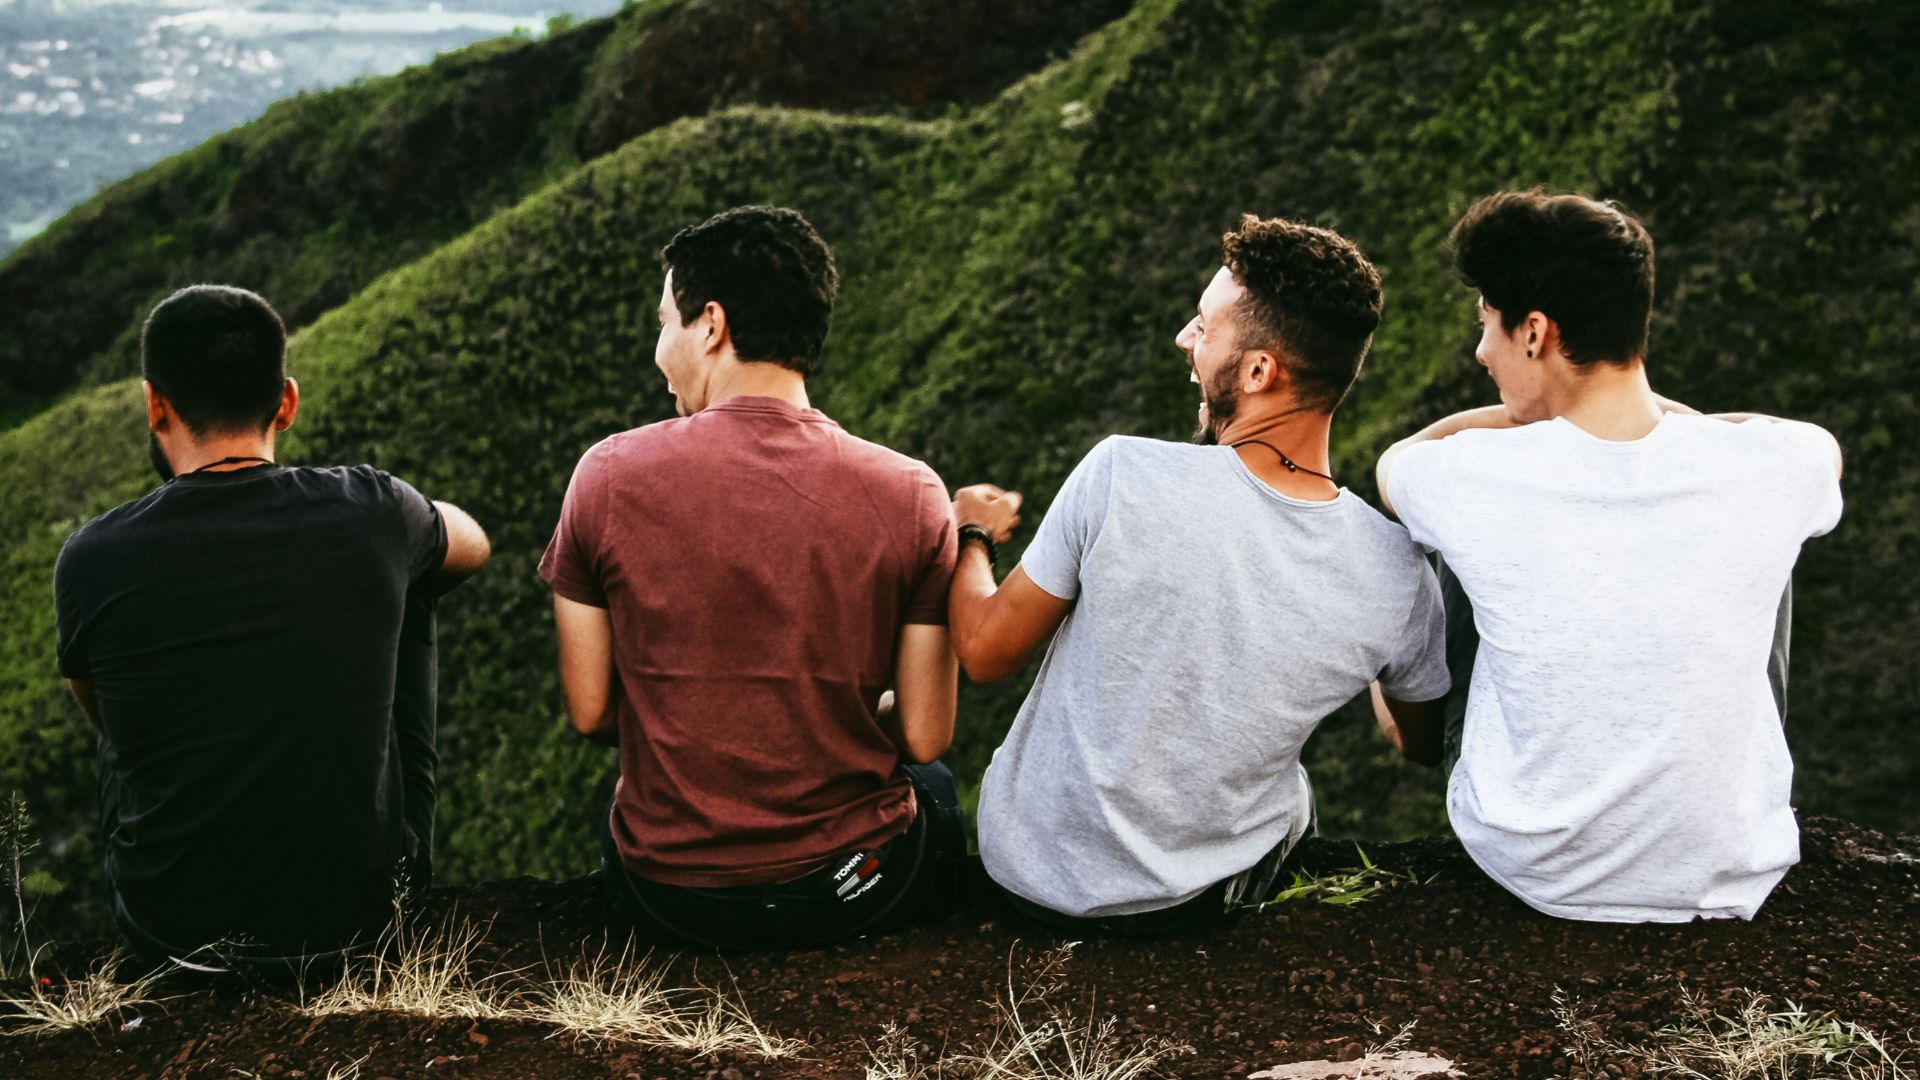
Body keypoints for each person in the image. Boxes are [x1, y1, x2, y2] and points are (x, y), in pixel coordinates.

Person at [948, 214, 1452, 935]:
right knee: (1294, 793)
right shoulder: (1398, 572)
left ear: (1258, 372)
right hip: (1195, 902)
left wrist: (971, 534)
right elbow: (1419, 743)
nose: (1185, 340)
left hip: (1028, 877)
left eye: (1203, 327)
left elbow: (984, 651)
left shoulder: (1121, 472)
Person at [1375, 189, 1844, 923]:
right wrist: (1674, 423)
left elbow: (1398, 463)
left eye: (1487, 326)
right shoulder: (1773, 466)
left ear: (1534, 332)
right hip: (1725, 867)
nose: (1480, 352)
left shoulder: (1467, 474)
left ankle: (1424, 742)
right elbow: (1818, 445)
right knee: (1764, 538)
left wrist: (1519, 419)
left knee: (1449, 545)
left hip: (1534, 861)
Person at [540, 205, 996, 950]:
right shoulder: (913, 494)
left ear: (711, 324)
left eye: (665, 323)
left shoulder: (607, 475)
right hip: (849, 890)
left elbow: (592, 714)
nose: (659, 349)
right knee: (936, 792)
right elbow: (924, 734)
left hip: (671, 899)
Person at [53, 285, 491, 972]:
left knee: (125, 690)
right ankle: (394, 870)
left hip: (170, 927)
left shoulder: (91, 557)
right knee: (416, 579)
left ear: (153, 404)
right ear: (286, 401)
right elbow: (474, 544)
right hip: (358, 918)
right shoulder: (373, 509)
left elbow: (109, 721)